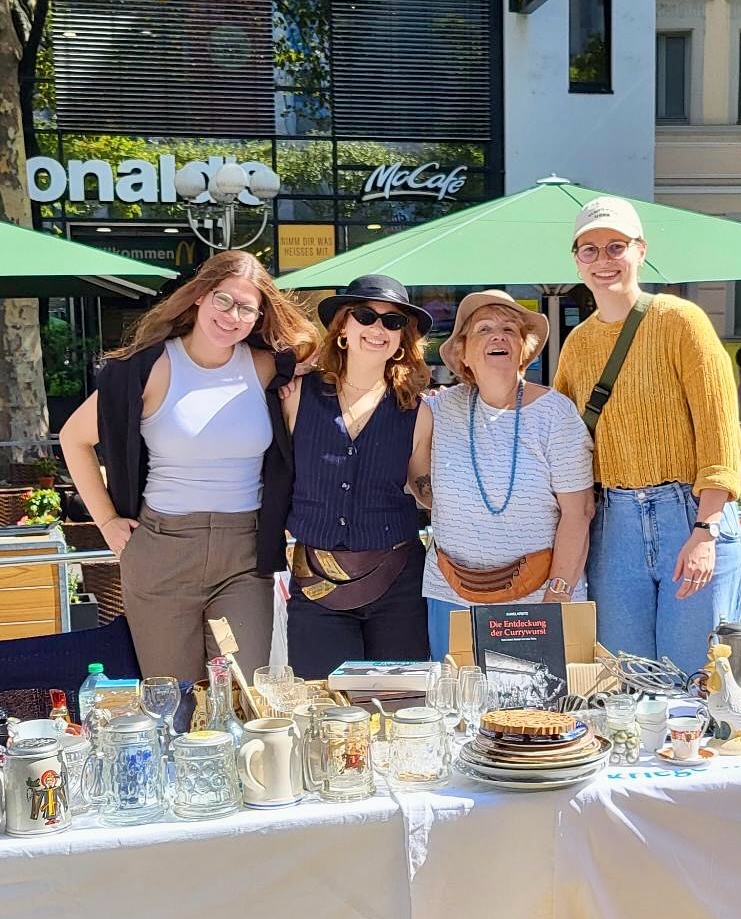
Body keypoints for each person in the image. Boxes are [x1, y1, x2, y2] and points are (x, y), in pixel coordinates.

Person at [59, 250, 317, 682]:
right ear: (199, 296)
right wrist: (106, 521)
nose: (232, 316)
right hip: (163, 549)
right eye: (223, 300)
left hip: (244, 553)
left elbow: (317, 354)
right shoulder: (148, 369)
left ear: (259, 317)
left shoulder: (267, 368)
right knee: (174, 697)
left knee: (245, 691)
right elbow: (74, 438)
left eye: (247, 309)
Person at [554, 195, 741, 676]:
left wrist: (706, 530)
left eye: (615, 246)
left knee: (697, 679)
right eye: (589, 249)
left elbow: (720, 430)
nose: (603, 260)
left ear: (640, 250)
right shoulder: (577, 345)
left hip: (689, 513)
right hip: (614, 522)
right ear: (576, 261)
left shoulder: (680, 321)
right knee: (631, 680)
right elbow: (562, 442)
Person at [420, 290, 594, 659]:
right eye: (483, 329)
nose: (498, 336)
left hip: (540, 598)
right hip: (451, 596)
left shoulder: (555, 414)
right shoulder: (437, 409)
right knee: (457, 694)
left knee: (538, 698)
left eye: (509, 330)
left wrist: (557, 597)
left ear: (523, 350)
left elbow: (578, 512)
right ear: (464, 354)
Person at [281, 274, 433, 679]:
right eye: (365, 316)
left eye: (392, 322)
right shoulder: (296, 395)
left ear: (402, 340)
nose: (377, 328)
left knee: (400, 705)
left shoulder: (417, 410)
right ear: (343, 329)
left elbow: (423, 487)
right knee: (324, 704)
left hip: (398, 583)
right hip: (316, 583)